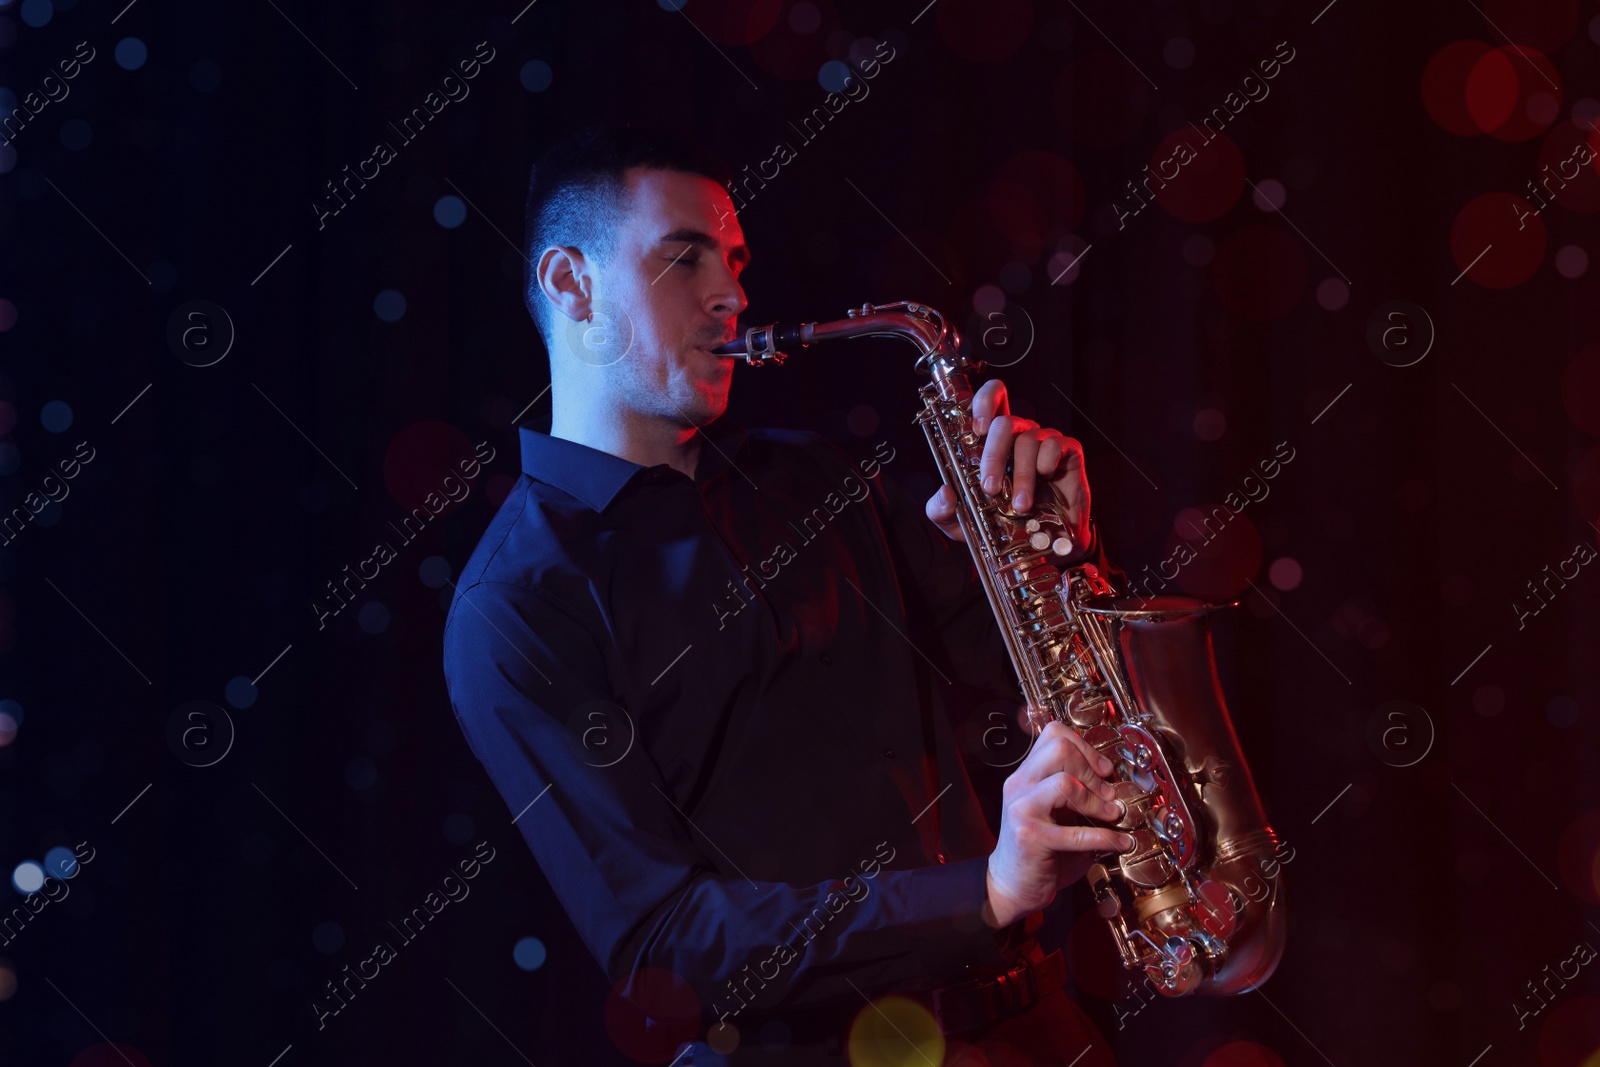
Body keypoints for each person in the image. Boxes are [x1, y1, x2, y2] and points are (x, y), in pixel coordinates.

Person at [442, 123, 1135, 1066]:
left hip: (1037, 1029)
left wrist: (1054, 549)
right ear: (571, 284)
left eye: (733, 260)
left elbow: (1043, 676)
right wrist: (984, 892)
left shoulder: (820, 480)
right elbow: (664, 945)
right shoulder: (515, 606)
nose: (731, 293)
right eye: (683, 258)